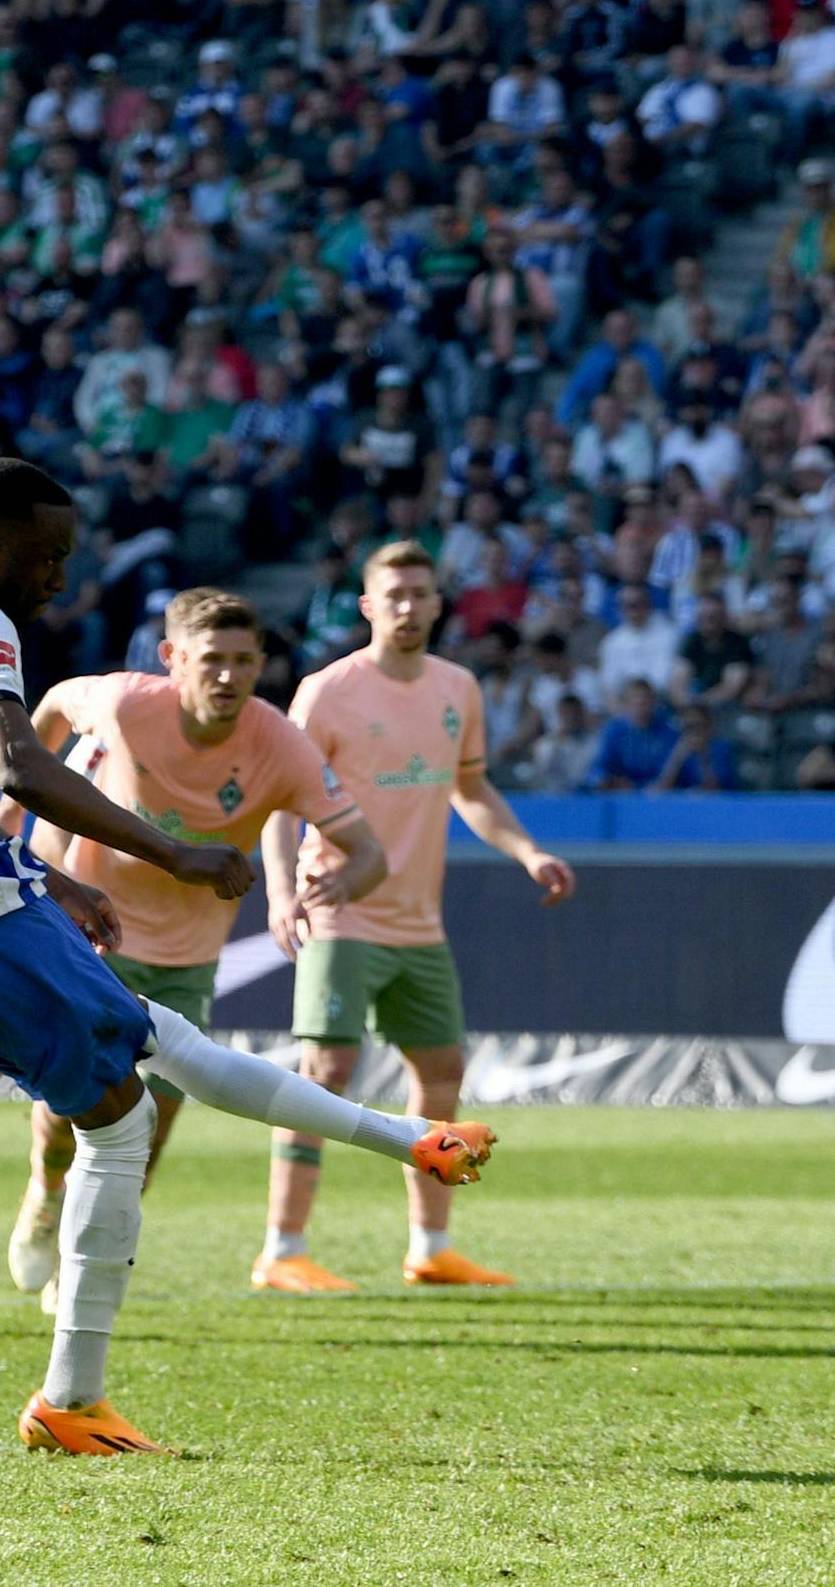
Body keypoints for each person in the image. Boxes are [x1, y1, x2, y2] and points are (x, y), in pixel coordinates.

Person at [0, 462, 494, 1457]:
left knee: (161, 1045)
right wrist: (172, 852)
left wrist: (45, 879)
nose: (61, 580)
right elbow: (16, 763)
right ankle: (71, 1398)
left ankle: (409, 1138)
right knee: (122, 1120)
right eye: (48, 559)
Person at [0, 586, 389, 1316]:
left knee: (149, 1124)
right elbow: (54, 704)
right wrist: (10, 805)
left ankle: (76, 1267)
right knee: (1, 1085)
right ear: (172, 658)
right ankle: (10, 1184)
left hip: (187, 955)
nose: (229, 675)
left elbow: (366, 851)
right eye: (212, 659)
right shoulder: (125, 704)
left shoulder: (280, 744)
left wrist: (324, 888)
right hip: (86, 930)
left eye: (245, 661)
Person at [257, 540, 576, 1293]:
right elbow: (280, 798)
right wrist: (279, 891)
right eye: (393, 594)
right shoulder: (328, 691)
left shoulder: (457, 687)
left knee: (441, 1073)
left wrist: (529, 851)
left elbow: (471, 789)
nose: (407, 606)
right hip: (340, 909)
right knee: (324, 1074)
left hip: (419, 923)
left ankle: (431, 1246)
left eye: (419, 593)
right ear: (368, 605)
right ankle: (282, 1248)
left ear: (438, 604)